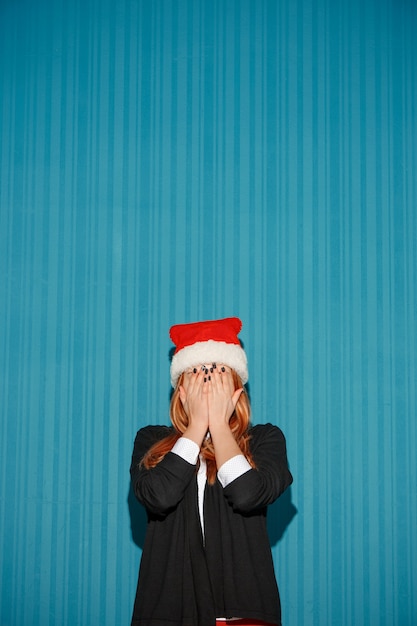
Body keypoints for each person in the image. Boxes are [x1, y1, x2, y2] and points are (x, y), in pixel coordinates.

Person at [130, 317, 293, 626]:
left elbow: (248, 495)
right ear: (181, 391)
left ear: (236, 388)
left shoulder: (265, 440)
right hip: (168, 612)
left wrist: (218, 423)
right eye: (196, 374)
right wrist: (195, 426)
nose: (207, 382)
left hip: (242, 611)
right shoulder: (150, 441)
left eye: (218, 375)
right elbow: (158, 497)